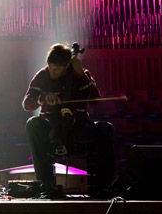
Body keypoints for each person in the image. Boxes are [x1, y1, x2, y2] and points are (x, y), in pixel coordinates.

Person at [22, 43, 115, 199]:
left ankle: (104, 186)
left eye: (57, 69)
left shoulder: (81, 74)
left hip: (79, 126)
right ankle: (46, 184)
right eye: (50, 67)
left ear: (66, 66)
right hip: (51, 125)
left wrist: (82, 75)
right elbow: (27, 104)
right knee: (33, 124)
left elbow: (95, 101)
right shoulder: (42, 76)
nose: (52, 72)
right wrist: (43, 97)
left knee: (106, 129)